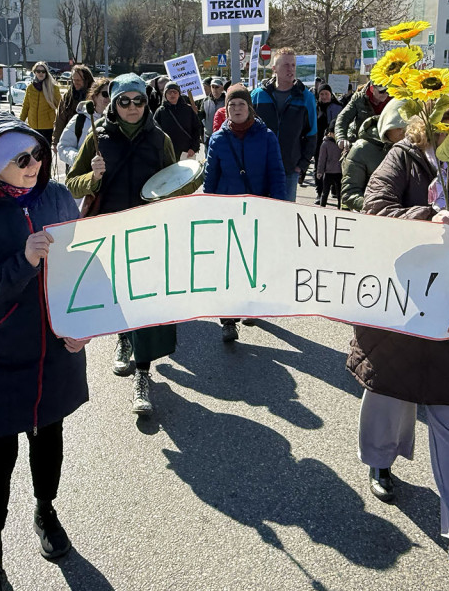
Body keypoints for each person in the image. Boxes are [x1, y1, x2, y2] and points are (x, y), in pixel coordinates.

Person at [347, 79, 449, 578]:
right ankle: (380, 460)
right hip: (397, 311)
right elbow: (374, 210)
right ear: (442, 117)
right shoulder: (403, 160)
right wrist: (424, 217)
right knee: (387, 394)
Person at [0, 112, 88, 591]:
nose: (34, 165)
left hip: (55, 350)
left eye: (37, 154)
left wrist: (85, 325)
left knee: (49, 440)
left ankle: (46, 511)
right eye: (20, 159)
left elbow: (88, 269)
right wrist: (23, 261)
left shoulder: (58, 197)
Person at [67, 74, 184, 416]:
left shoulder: (160, 139)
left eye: (139, 100)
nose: (132, 107)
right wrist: (93, 176)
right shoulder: (97, 138)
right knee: (118, 297)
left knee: (145, 304)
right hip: (110, 234)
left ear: (147, 103)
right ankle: (122, 338)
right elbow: (72, 184)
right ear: (114, 104)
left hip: (148, 234)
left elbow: (175, 183)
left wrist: (193, 179)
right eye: (124, 101)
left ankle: (143, 374)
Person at [203, 84, 287, 342]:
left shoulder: (267, 137)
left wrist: (278, 208)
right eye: (232, 105)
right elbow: (210, 178)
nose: (237, 109)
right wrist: (207, 209)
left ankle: (252, 304)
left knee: (252, 262)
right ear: (226, 109)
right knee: (227, 265)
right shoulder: (218, 139)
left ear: (249, 108)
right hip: (227, 212)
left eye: (241, 104)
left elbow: (276, 174)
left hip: (257, 211)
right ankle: (228, 320)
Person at [252, 49, 317, 202]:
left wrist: (301, 165)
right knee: (259, 212)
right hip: (259, 168)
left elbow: (312, 134)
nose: (291, 69)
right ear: (274, 68)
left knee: (285, 213)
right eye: (286, 65)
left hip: (288, 170)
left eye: (293, 65)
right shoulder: (258, 95)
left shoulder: (306, 97)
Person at [340, 100, 407, 212]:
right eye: (400, 128)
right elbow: (349, 193)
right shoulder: (361, 149)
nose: (404, 133)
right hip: (372, 216)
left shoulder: (413, 148)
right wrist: (377, 207)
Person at [55, 77, 111, 168]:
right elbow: (63, 147)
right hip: (84, 173)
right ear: (94, 96)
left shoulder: (119, 121)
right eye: (105, 94)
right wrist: (79, 159)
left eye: (112, 94)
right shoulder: (79, 120)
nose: (109, 98)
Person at [335, 80, 391, 152]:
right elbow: (343, 118)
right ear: (372, 89)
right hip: (361, 144)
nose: (385, 94)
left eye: (388, 91)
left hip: (385, 144)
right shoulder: (359, 98)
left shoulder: (393, 100)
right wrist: (341, 137)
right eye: (382, 91)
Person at [153, 81, 203, 159]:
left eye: (175, 92)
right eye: (169, 92)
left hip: (187, 153)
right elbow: (155, 132)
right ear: (165, 94)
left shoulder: (188, 109)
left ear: (179, 94)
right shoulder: (160, 112)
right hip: (167, 153)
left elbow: (196, 129)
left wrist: (194, 148)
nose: (172, 94)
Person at [315, 83, 344, 199]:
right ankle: (319, 192)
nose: (324, 96)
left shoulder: (338, 107)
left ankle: (334, 189)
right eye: (321, 94)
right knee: (319, 165)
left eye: (326, 94)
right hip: (318, 142)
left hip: (334, 142)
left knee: (335, 165)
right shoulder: (316, 107)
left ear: (331, 94)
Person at [20, 62, 62, 144]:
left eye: (43, 71)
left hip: (48, 127)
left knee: (46, 149)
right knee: (35, 150)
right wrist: (20, 122)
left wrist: (60, 125)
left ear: (46, 73)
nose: (41, 73)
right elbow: (25, 107)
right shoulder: (30, 88)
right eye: (38, 71)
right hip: (32, 126)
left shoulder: (53, 88)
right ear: (34, 72)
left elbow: (60, 107)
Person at [52, 65, 91, 145]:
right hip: (69, 140)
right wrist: (55, 142)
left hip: (89, 141)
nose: (75, 83)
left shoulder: (95, 97)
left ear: (86, 80)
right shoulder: (68, 98)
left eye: (78, 80)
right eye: (73, 80)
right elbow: (60, 121)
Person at [315, 129, 343, 208]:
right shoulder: (325, 144)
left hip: (338, 172)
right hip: (329, 172)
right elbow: (322, 159)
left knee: (339, 194)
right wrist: (320, 171)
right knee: (325, 192)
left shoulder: (340, 143)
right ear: (330, 133)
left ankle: (339, 208)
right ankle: (322, 207)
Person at [202, 78, 227, 142]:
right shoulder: (205, 100)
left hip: (223, 137)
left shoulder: (226, 101)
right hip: (208, 136)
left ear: (222, 88)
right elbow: (202, 116)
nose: (214, 90)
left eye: (217, 87)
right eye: (212, 87)